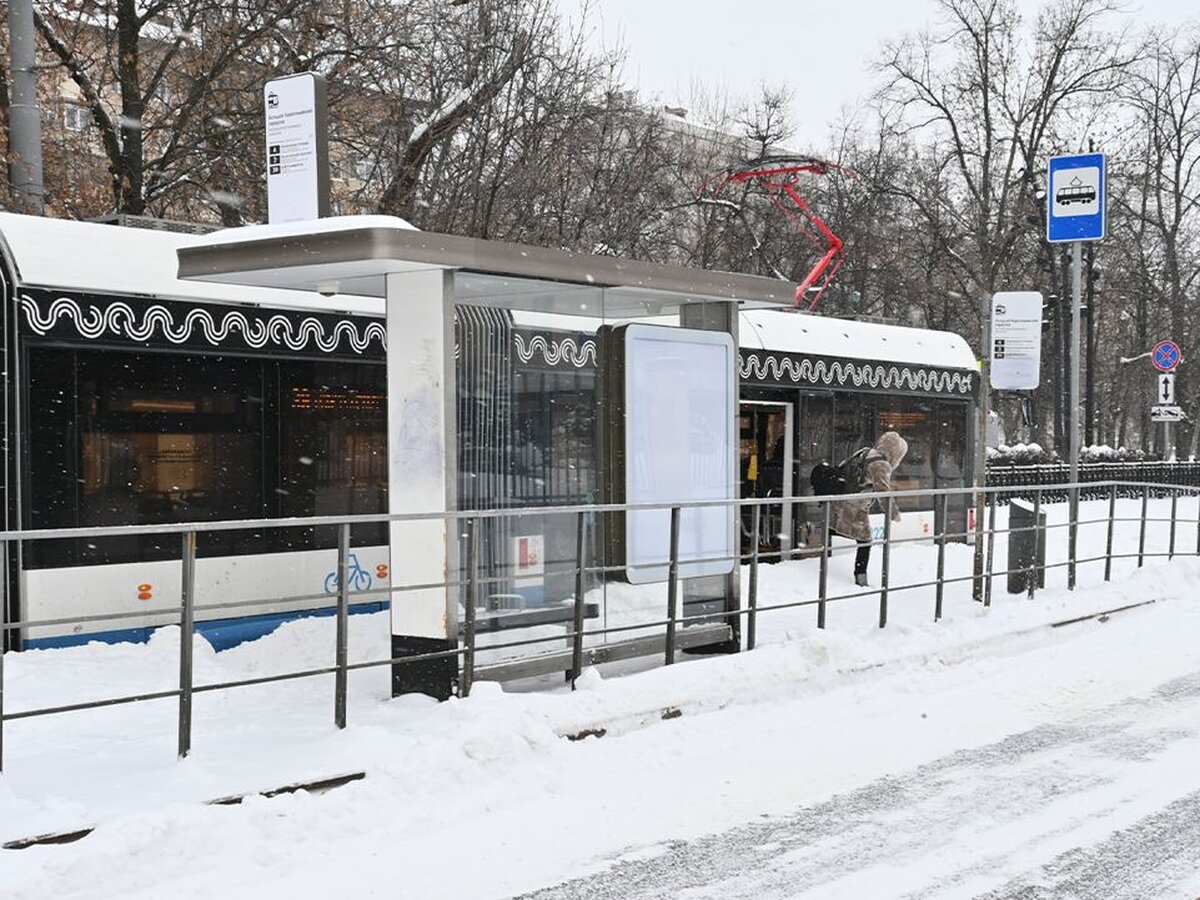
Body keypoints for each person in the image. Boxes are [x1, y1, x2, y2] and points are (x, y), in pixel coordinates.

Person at [830, 431, 908, 587]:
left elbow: (843, 467)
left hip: (842, 500)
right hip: (856, 505)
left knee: (835, 528)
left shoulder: (865, 452)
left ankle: (818, 531)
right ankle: (861, 579)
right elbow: (883, 492)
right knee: (865, 541)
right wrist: (893, 513)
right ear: (896, 453)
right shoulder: (882, 465)